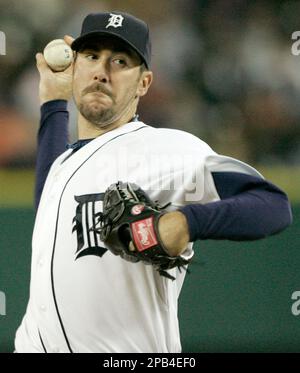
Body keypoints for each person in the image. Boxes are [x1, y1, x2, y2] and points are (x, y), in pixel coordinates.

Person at [15, 11, 292, 353]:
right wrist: (53, 103)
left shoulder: (168, 148)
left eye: (119, 61)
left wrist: (184, 223)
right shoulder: (66, 161)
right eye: (92, 57)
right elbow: (49, 208)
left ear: (144, 83)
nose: (102, 71)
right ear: (76, 68)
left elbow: (272, 205)